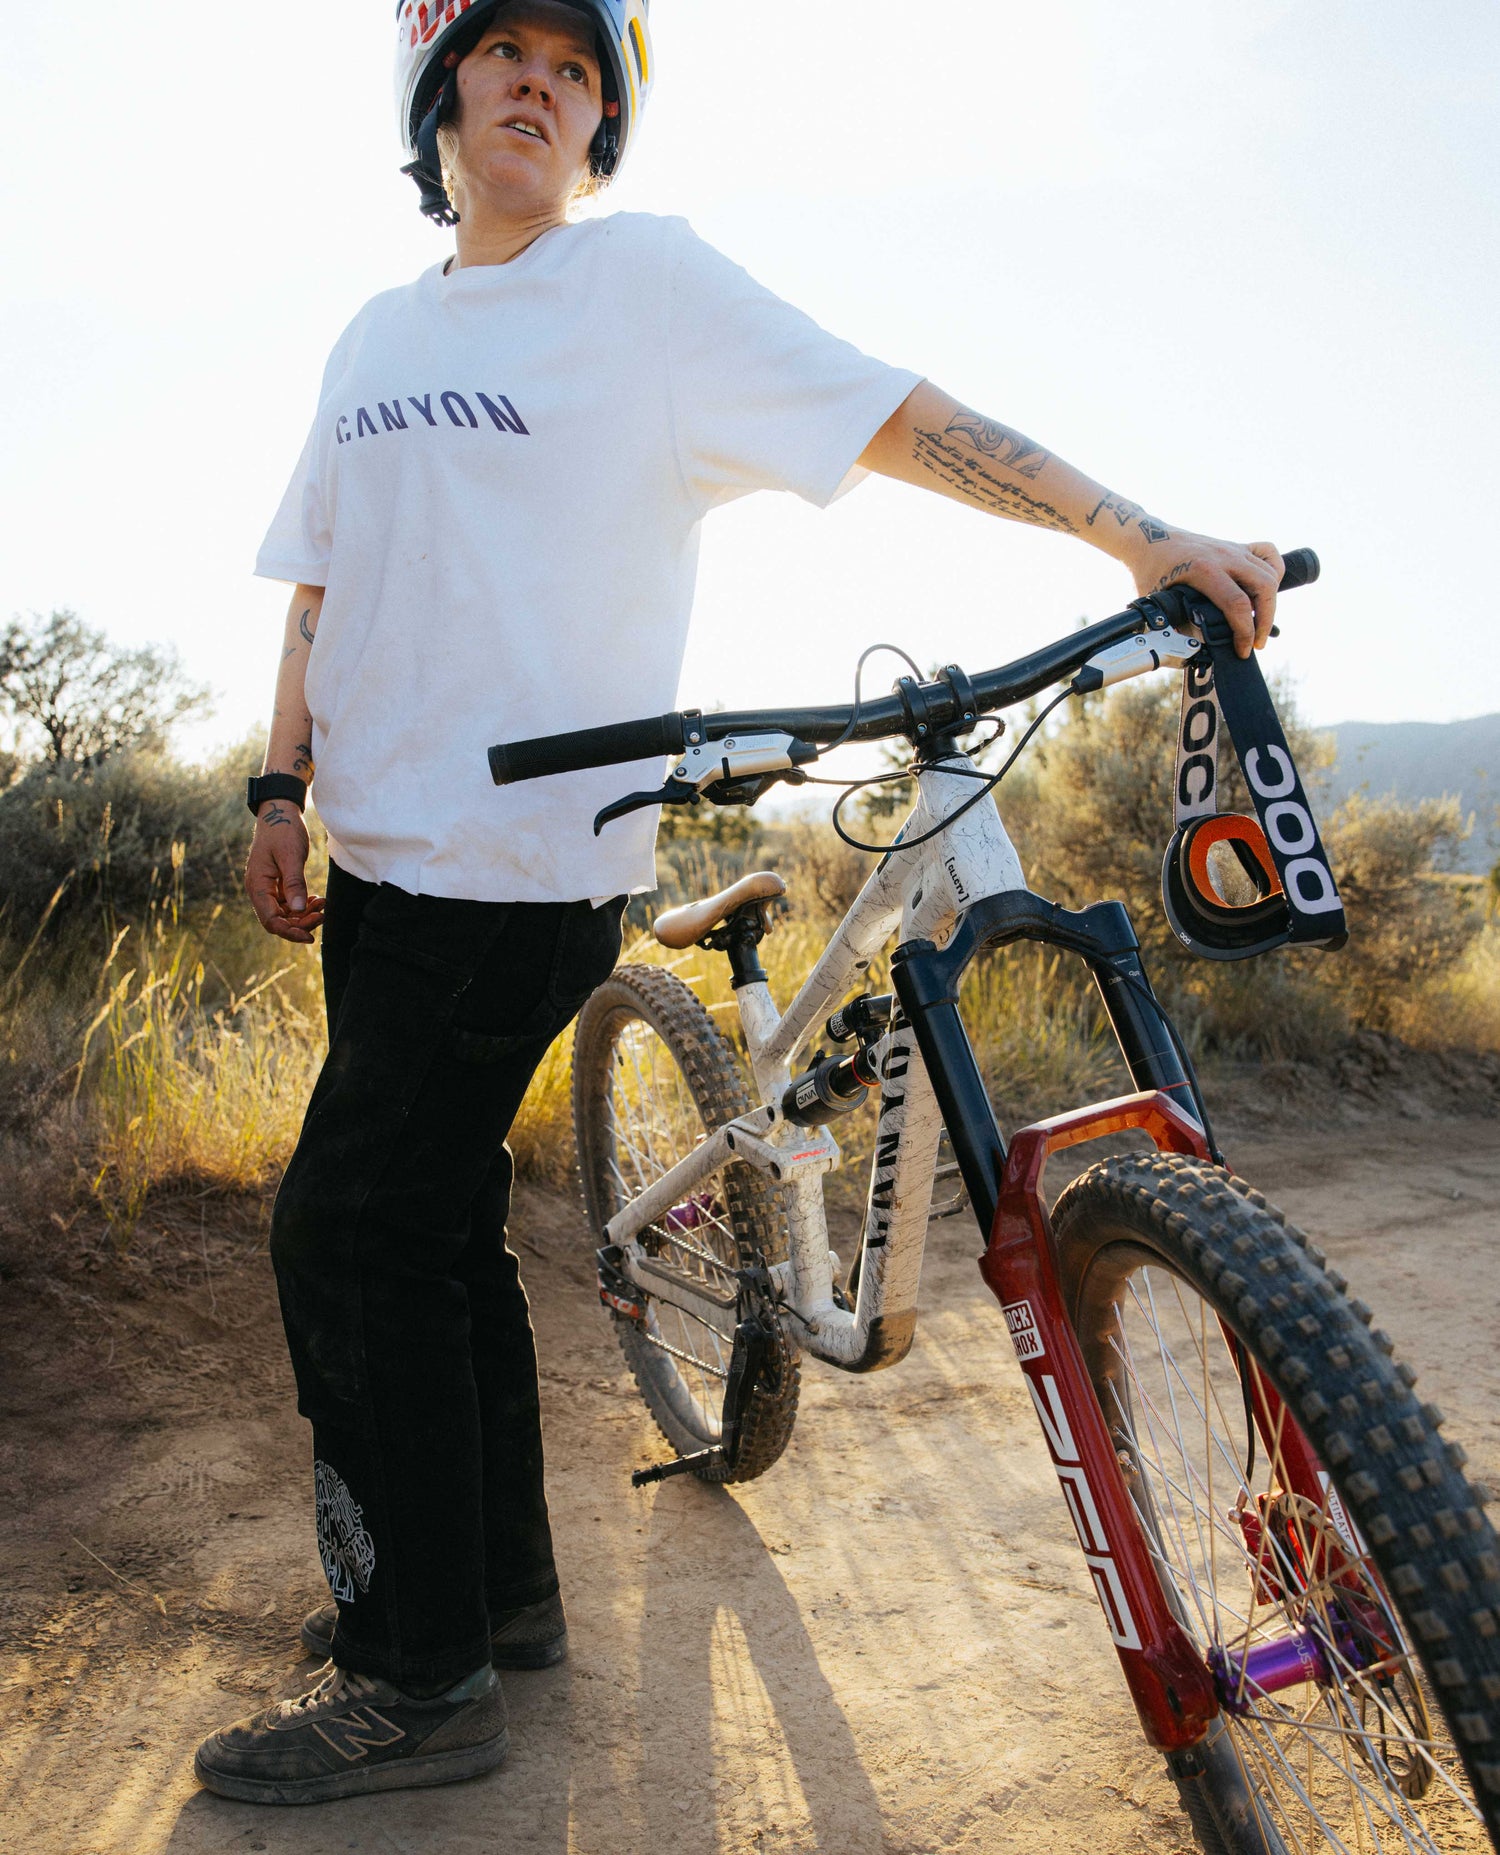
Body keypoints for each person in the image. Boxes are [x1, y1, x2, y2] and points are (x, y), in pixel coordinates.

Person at [194, 0, 1285, 1806]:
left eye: (577, 66)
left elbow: (900, 415)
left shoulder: (644, 294)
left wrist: (1137, 535)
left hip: (520, 870)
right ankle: (498, 1603)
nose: (542, 81)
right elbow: (320, 586)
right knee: (439, 1222)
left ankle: (418, 1672)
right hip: (378, 870)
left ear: (600, 119)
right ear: (438, 93)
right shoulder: (374, 334)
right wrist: (281, 786)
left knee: (345, 1229)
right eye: (503, 52)